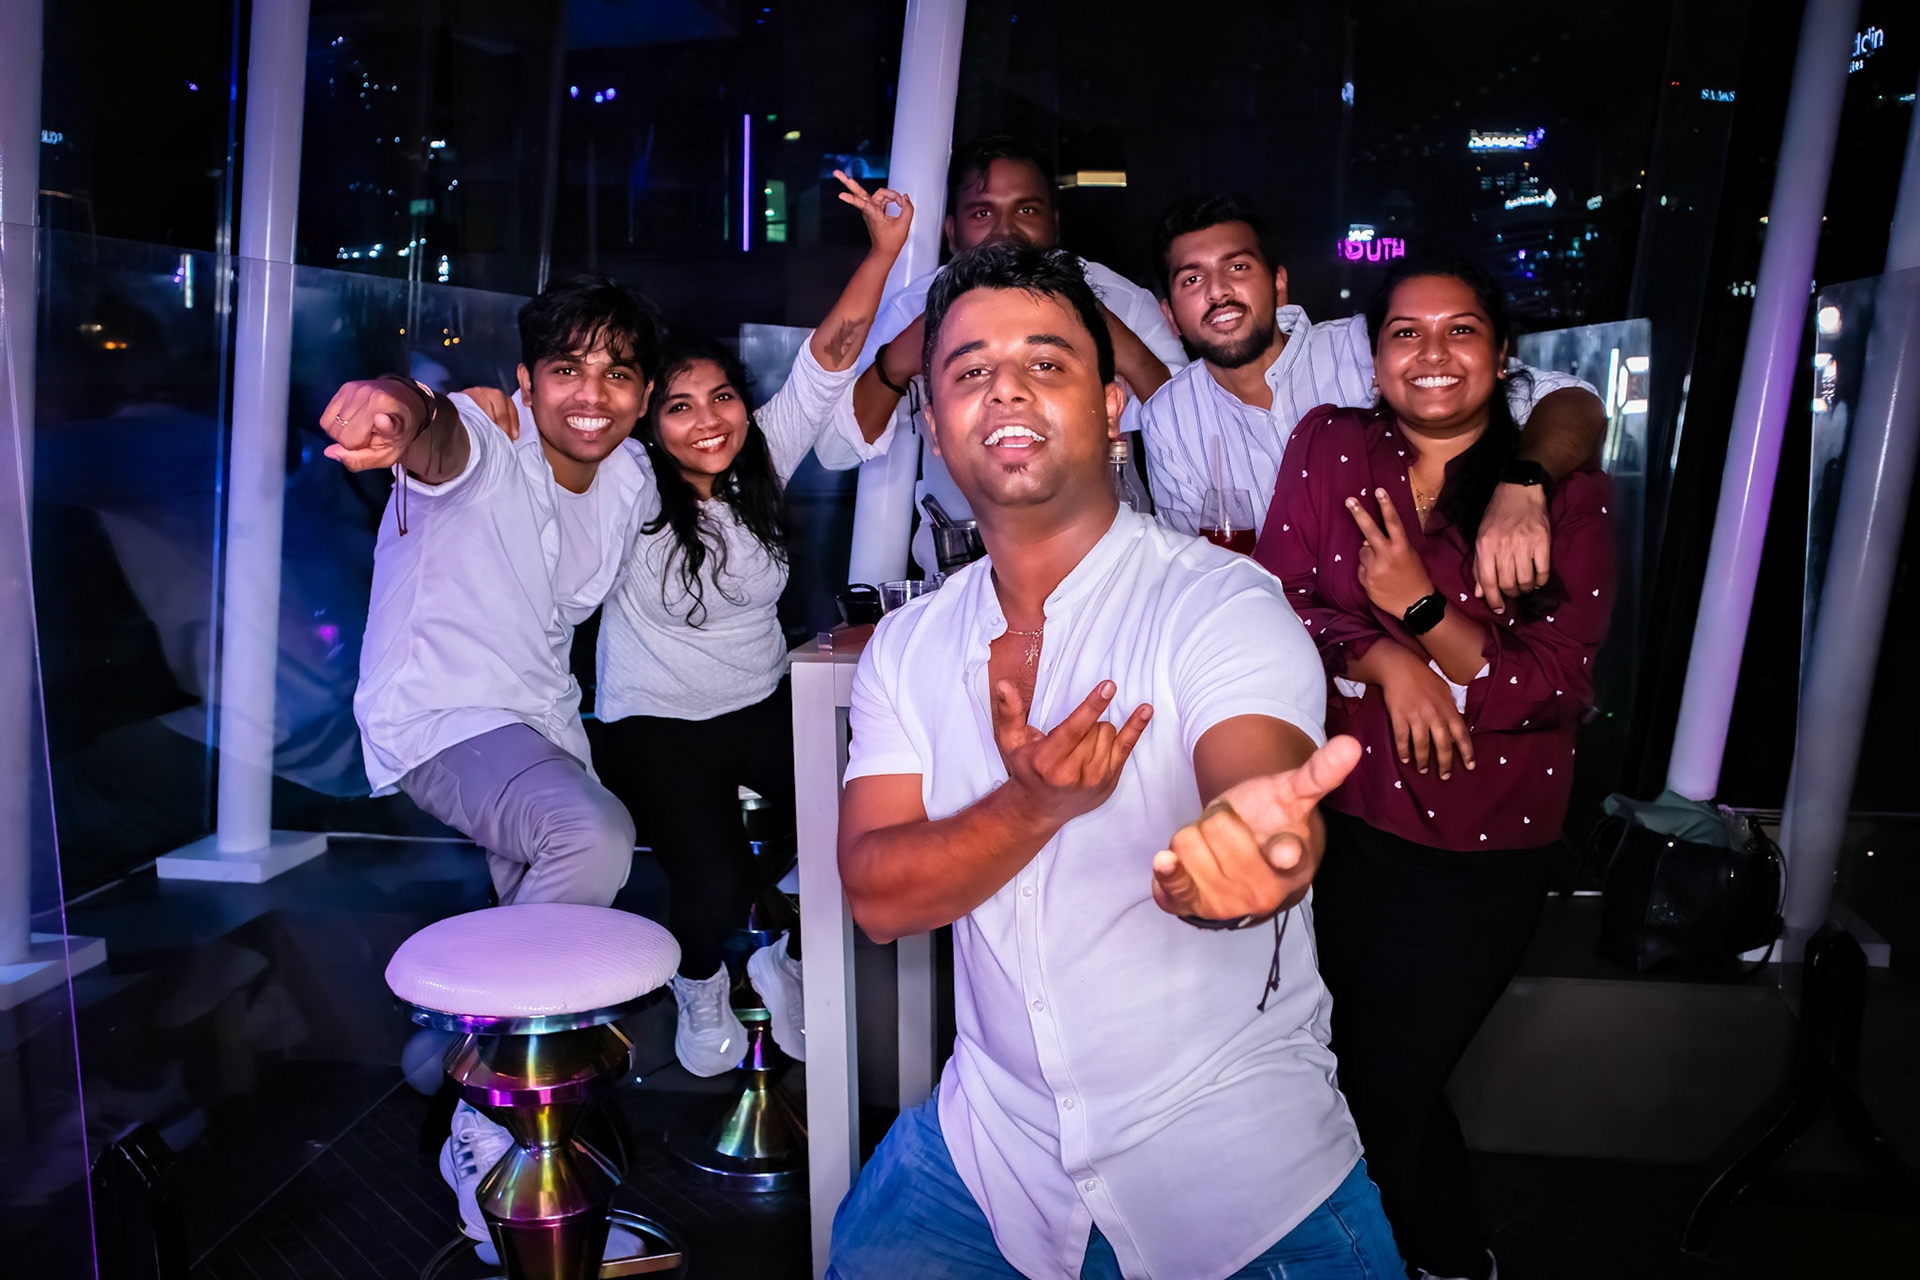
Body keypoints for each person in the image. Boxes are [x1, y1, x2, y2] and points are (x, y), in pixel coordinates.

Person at [828, 241, 1403, 1280]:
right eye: (969, 369)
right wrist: (1031, 807)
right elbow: (877, 895)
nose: (1006, 385)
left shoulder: (1220, 603)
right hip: (990, 1151)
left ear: (1110, 411)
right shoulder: (908, 647)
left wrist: (1246, 861)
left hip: (1237, 1173)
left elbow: (1257, 795)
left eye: (1046, 362)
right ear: (935, 424)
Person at [459, 175, 913, 1076]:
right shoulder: (627, 485)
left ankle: (786, 957)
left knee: (861, 822)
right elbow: (547, 457)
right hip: (655, 722)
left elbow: (832, 354)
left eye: (721, 397)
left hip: (760, 702)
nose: (708, 421)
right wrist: (487, 414)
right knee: (712, 884)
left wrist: (884, 252)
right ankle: (700, 980)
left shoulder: (762, 461)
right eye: (679, 405)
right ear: (648, 423)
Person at [1252, 253, 1614, 1280]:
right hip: (1343, 815)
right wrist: (1386, 660)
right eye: (1405, 332)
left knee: (1384, 1081)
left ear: (1502, 358)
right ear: (1374, 360)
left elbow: (1553, 688)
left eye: (1462, 330)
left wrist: (1419, 610)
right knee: (1329, 1065)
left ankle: (1438, 1260)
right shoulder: (1329, 445)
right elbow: (1278, 601)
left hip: (1479, 841)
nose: (1432, 353)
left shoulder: (1561, 497)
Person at [320, 273, 666, 1263]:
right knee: (588, 835)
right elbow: (434, 432)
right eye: (567, 369)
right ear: (525, 379)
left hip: (538, 731)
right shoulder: (487, 435)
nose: (590, 394)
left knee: (541, 937)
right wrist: (398, 406)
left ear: (643, 394)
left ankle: (473, 1094)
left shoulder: (628, 475)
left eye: (617, 373)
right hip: (445, 720)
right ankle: (482, 1127)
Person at [1141, 193, 1606, 614]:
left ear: (1278, 285)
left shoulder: (1372, 346)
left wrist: (1524, 483)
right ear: (1170, 316)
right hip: (1276, 639)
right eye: (1192, 279)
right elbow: (1194, 571)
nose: (1218, 292)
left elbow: (1570, 400)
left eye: (1238, 268)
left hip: (1424, 624)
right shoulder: (1169, 418)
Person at [834, 134, 1188, 573]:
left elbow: (1192, 431)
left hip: (1111, 567)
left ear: (1054, 223)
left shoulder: (1122, 301)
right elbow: (837, 450)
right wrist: (901, 358)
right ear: (952, 231)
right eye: (982, 213)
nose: (1005, 231)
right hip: (962, 572)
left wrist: (1101, 328)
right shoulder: (915, 309)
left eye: (1026, 210)